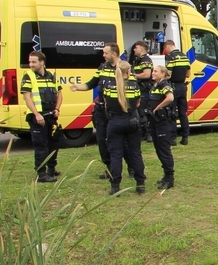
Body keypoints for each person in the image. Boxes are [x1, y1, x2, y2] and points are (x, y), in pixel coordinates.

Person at [69, 43, 118, 179]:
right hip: (101, 110)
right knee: (102, 140)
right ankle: (108, 169)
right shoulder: (102, 67)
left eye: (105, 53)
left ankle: (130, 168)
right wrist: (77, 87)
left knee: (119, 141)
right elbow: (91, 83)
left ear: (113, 53)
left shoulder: (124, 67)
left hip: (116, 111)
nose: (103, 55)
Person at [103, 60, 146, 195]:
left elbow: (106, 104)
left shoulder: (109, 86)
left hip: (115, 121)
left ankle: (115, 186)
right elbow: (138, 103)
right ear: (128, 71)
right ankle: (140, 184)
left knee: (116, 155)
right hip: (132, 121)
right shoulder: (134, 86)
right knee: (135, 153)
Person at [20, 50, 63, 182]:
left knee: (53, 144)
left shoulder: (51, 76)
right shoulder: (28, 76)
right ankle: (41, 174)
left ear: (42, 62)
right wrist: (37, 114)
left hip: (51, 116)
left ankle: (51, 169)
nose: (31, 64)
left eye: (34, 61)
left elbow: (59, 94)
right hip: (37, 117)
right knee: (41, 145)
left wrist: (57, 109)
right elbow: (27, 98)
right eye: (30, 61)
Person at [146, 64, 176, 190]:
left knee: (164, 151)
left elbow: (170, 97)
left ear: (163, 74)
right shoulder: (156, 85)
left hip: (163, 123)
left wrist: (158, 107)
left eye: (156, 71)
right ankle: (165, 175)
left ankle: (170, 178)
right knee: (158, 150)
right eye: (153, 71)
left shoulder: (164, 85)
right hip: (155, 122)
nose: (153, 73)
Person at [163, 39, 190, 145]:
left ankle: (172, 138)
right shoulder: (185, 56)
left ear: (168, 46)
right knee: (183, 113)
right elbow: (188, 74)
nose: (165, 51)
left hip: (173, 86)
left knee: (172, 112)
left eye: (165, 49)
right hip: (182, 87)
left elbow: (168, 74)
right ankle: (185, 137)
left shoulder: (170, 57)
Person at [130, 41, 154, 142]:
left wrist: (133, 76)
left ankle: (149, 134)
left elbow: (146, 74)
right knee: (139, 112)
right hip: (139, 89)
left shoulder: (145, 60)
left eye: (136, 48)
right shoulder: (138, 60)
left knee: (144, 112)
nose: (134, 50)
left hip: (144, 89)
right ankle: (143, 133)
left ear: (141, 49)